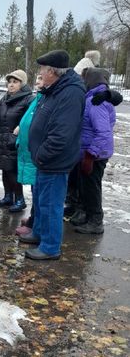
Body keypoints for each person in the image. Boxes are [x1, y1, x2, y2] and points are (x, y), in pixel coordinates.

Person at [20, 49, 85, 260]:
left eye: (42, 69)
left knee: (51, 204)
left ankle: (50, 246)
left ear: (52, 72)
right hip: (44, 160)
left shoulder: (70, 93)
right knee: (41, 201)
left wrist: (42, 154)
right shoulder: (55, 88)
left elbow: (62, 134)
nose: (40, 73)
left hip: (54, 161)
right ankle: (39, 232)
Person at [72, 68, 115, 235]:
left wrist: (90, 155)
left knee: (92, 188)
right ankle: (88, 216)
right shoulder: (93, 98)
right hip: (90, 152)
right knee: (86, 186)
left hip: (95, 155)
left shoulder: (97, 102)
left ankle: (96, 221)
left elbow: (103, 132)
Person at [0, 70, 33, 212]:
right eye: (9, 82)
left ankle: (20, 199)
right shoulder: (5, 98)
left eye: (15, 82)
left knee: (13, 172)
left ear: (22, 84)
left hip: (14, 143)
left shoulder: (28, 99)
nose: (11, 85)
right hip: (1, 140)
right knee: (5, 170)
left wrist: (18, 133)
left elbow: (29, 120)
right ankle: (8, 196)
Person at [13, 73, 44, 236]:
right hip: (27, 152)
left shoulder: (44, 99)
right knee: (34, 189)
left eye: (41, 78)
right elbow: (27, 121)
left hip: (36, 153)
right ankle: (33, 219)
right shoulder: (38, 98)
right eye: (37, 79)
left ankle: (35, 224)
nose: (37, 82)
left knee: (38, 191)